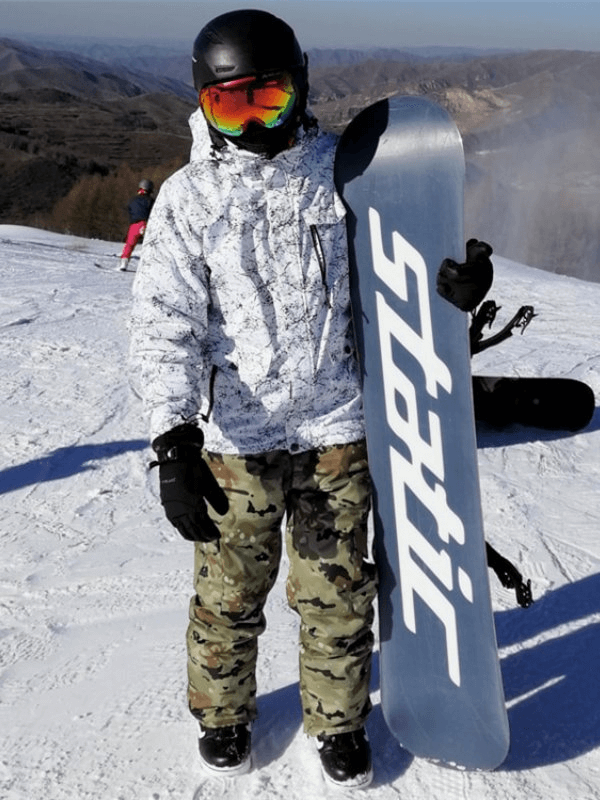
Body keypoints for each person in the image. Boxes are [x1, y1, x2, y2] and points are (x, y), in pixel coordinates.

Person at [128, 8, 492, 788]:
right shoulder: (189, 201)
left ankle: (337, 721)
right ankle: (224, 715)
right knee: (229, 596)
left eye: (272, 99)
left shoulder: (347, 172)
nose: (256, 122)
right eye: (233, 105)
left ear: (300, 88)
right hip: (235, 441)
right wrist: (172, 438)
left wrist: (454, 290)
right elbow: (165, 324)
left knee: (336, 592)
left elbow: (406, 268)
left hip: (337, 430)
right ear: (205, 104)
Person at [119, 178, 154, 271]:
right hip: (147, 224)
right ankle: (149, 265)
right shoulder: (151, 201)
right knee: (151, 244)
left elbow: (129, 211)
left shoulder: (132, 200)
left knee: (129, 244)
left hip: (134, 224)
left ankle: (124, 263)